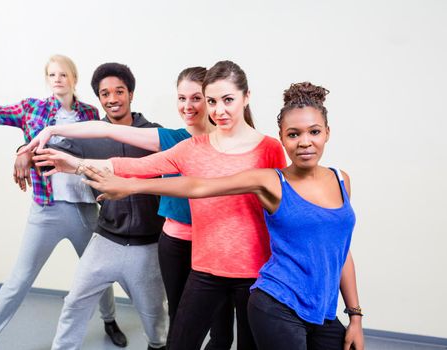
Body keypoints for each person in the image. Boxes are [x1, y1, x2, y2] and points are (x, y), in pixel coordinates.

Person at [79, 82, 365, 350]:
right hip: (278, 302)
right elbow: (199, 185)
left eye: (314, 132)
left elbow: (340, 250)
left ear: (327, 132)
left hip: (323, 312)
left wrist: (355, 316)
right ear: (282, 139)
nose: (305, 142)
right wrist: (131, 186)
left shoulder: (341, 180)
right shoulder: (271, 180)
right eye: (294, 134)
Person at [33, 60, 287, 350]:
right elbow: (133, 165)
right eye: (213, 101)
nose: (219, 110)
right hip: (206, 268)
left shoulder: (269, 148)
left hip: (253, 271)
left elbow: (281, 214)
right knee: (179, 341)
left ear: (246, 97)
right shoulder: (191, 147)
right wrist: (75, 164)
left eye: (227, 100)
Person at [0, 55, 125, 350]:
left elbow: (104, 147)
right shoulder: (32, 109)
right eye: (52, 74)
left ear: (73, 79)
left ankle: (110, 320)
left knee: (98, 273)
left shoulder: (90, 113)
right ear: (47, 79)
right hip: (47, 211)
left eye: (63, 74)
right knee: (18, 280)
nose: (57, 79)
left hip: (85, 209)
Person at [45, 62, 168, 350]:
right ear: (99, 99)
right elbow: (52, 153)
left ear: (131, 94)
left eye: (119, 91)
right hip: (106, 239)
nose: (112, 99)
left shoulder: (154, 134)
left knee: (155, 317)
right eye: (105, 93)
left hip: (148, 245)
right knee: (74, 303)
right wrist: (23, 154)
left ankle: (157, 345)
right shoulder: (91, 136)